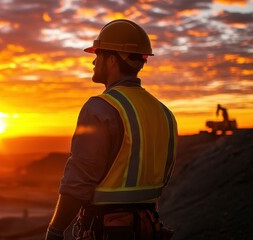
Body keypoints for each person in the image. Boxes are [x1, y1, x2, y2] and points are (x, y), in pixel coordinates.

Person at [45, 19, 178, 240]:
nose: (94, 62)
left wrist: (55, 230)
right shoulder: (165, 113)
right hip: (149, 229)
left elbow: (77, 182)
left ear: (112, 60)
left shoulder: (99, 108)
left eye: (98, 55)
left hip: (107, 231)